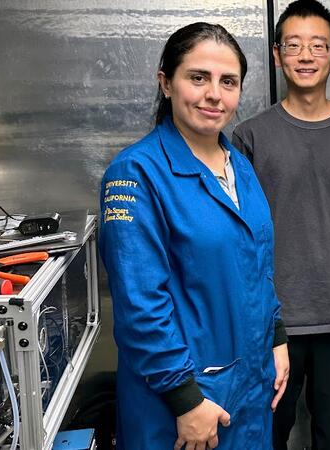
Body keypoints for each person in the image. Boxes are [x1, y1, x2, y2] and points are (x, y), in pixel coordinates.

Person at [98, 22, 289, 450]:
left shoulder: (239, 167)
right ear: (166, 83)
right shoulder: (136, 174)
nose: (214, 94)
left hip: (250, 385)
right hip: (185, 403)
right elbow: (139, 305)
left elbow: (258, 266)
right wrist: (185, 400)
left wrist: (276, 339)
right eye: (197, 77)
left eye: (228, 82)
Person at [231, 1, 330, 448]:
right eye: (293, 45)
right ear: (277, 55)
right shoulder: (249, 137)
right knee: (268, 431)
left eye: (318, 45)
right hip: (273, 320)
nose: (306, 56)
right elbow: (238, 236)